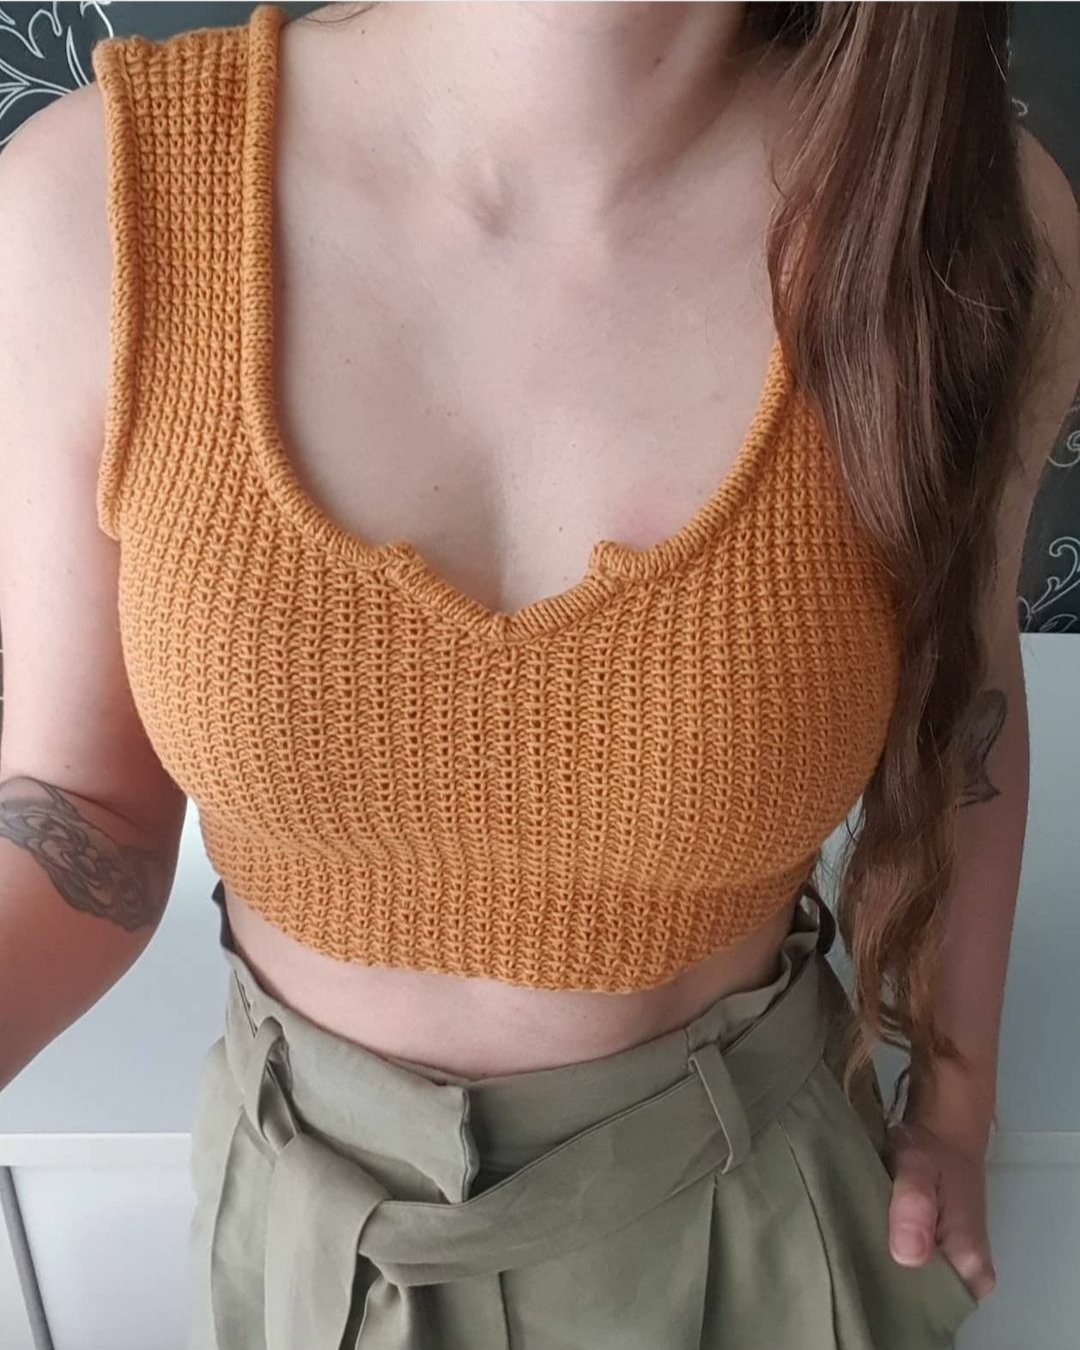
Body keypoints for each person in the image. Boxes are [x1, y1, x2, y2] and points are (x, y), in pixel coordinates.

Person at [0, 1, 1077, 1345]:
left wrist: (958, 1103)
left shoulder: (967, 228)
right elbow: (83, 809)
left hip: (754, 1229)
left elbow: (962, 714)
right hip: (307, 1239)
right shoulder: (94, 205)